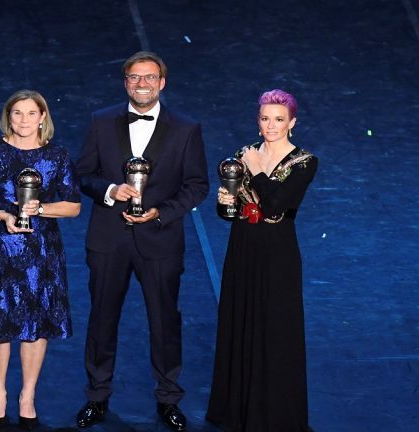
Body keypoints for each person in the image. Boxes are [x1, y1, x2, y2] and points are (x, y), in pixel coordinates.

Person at [74, 51, 209, 431]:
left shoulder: (186, 128)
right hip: (108, 238)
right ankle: (97, 396)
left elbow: (197, 185)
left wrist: (161, 212)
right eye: (135, 77)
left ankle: (168, 399)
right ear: (125, 83)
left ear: (162, 83)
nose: (142, 84)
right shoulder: (101, 121)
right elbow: (83, 173)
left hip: (160, 239)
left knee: (165, 322)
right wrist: (110, 190)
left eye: (150, 77)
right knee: (102, 319)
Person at [0, 90, 81, 431]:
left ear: (42, 117)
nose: (24, 120)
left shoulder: (58, 156)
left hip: (41, 250)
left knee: (37, 324)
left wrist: (41, 209)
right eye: (17, 113)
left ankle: (28, 396)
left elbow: (73, 206)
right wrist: (1, 214)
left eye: (31, 113)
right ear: (8, 117)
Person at [206, 89, 317, 431]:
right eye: (265, 118)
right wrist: (225, 202)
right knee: (239, 320)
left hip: (277, 252)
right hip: (243, 246)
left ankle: (273, 415)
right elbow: (229, 212)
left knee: (275, 327)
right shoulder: (244, 154)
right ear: (258, 121)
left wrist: (255, 171)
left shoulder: (304, 162)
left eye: (279, 119)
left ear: (292, 123)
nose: (271, 125)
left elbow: (274, 206)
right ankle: (236, 410)